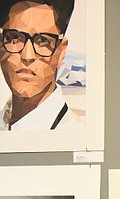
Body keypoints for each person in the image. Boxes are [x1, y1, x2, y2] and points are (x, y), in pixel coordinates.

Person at [0, 0, 81, 130]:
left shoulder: (74, 133)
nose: (27, 56)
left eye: (43, 41)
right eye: (14, 37)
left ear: (61, 52)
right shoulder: (4, 120)